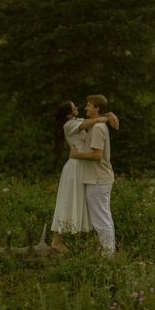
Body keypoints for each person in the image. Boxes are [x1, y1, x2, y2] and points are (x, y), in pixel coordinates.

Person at [51, 100, 119, 253]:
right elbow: (92, 122)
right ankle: (56, 240)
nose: (78, 108)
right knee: (68, 200)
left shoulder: (77, 121)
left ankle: (97, 243)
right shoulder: (69, 125)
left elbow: (93, 120)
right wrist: (104, 117)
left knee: (82, 204)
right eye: (74, 107)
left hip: (83, 167)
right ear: (69, 113)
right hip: (75, 166)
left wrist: (109, 115)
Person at [70, 94, 117, 257]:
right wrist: (108, 115)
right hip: (97, 179)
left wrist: (76, 156)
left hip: (98, 179)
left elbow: (97, 155)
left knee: (101, 219)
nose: (86, 107)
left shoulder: (97, 129)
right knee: (103, 217)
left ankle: (108, 256)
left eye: (89, 105)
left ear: (96, 108)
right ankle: (108, 253)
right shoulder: (95, 125)